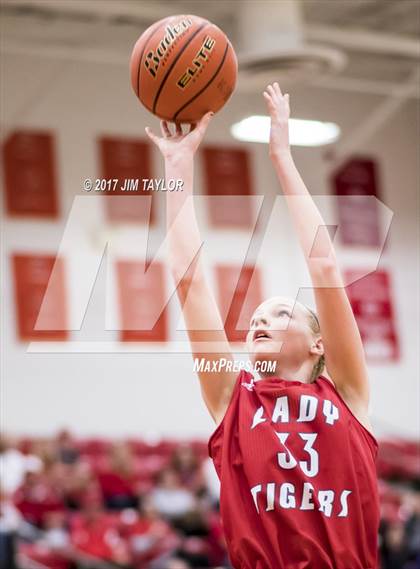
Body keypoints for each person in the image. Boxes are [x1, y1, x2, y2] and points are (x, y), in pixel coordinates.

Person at [145, 82, 379, 569]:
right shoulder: (232, 399)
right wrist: (178, 168)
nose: (260, 322)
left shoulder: (348, 394)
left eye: (280, 313)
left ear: (319, 344)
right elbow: (188, 281)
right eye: (254, 318)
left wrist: (283, 158)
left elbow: (325, 268)